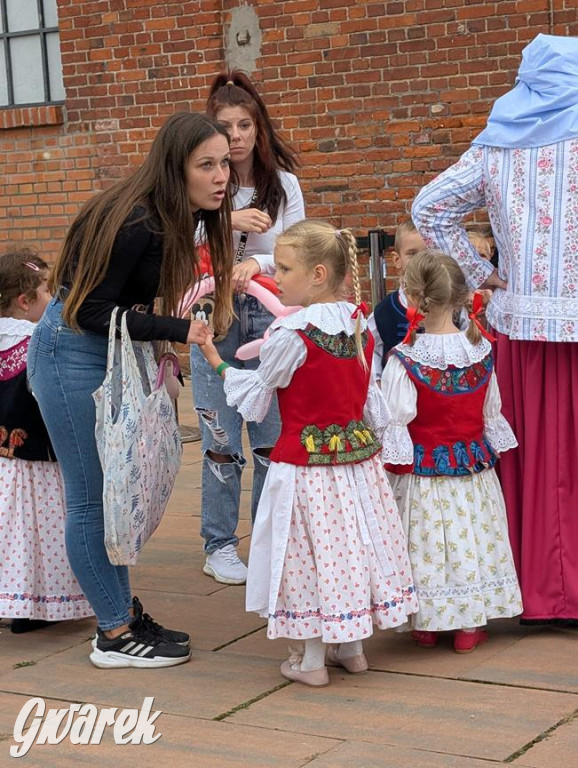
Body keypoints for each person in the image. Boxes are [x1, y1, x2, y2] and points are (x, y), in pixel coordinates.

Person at [28, 112, 233, 668]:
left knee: (117, 496)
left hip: (106, 355)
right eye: (206, 165)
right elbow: (87, 309)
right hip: (70, 354)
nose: (221, 176)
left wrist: (159, 345)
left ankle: (118, 611)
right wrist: (177, 332)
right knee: (93, 500)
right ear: (176, 167)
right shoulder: (139, 220)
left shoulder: (172, 215)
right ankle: (114, 634)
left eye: (224, 163)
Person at [200, 220, 418, 686]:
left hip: (305, 469)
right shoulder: (358, 322)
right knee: (347, 550)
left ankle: (311, 662)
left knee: (309, 554)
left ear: (318, 274)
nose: (275, 278)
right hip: (357, 465)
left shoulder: (291, 332)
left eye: (284, 268)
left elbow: (257, 392)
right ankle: (352, 650)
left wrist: (213, 358)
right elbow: (369, 401)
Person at [411, 33, 578, 626]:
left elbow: (428, 207)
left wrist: (485, 274)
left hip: (525, 328)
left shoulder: (498, 144)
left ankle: (537, 591)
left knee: (536, 464)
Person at [191, 70, 305, 586]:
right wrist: (227, 223)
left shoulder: (284, 186)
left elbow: (299, 250)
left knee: (269, 435)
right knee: (219, 431)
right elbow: (175, 242)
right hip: (212, 311)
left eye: (243, 126)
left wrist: (258, 265)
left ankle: (264, 539)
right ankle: (218, 543)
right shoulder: (198, 185)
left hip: (267, 315)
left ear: (258, 130)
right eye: (224, 127)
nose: (235, 137)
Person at [381, 251, 522, 652]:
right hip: (473, 473)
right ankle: (469, 625)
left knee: (428, 544)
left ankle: (426, 623)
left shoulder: (404, 360)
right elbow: (490, 412)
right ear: (462, 297)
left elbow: (395, 420)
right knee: (472, 540)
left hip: (424, 476)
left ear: (411, 296)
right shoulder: (481, 353)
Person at [0, 250, 92, 633]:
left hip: (3, 459)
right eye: (47, 292)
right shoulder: (38, 341)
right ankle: (31, 605)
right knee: (35, 532)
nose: (55, 301)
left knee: (7, 531)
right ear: (25, 301)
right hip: (38, 457)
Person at [368, 219, 425, 379]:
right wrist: (377, 382)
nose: (420, 261)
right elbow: (370, 352)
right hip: (396, 396)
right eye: (412, 254)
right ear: (397, 260)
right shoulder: (383, 312)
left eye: (427, 253)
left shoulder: (451, 307)